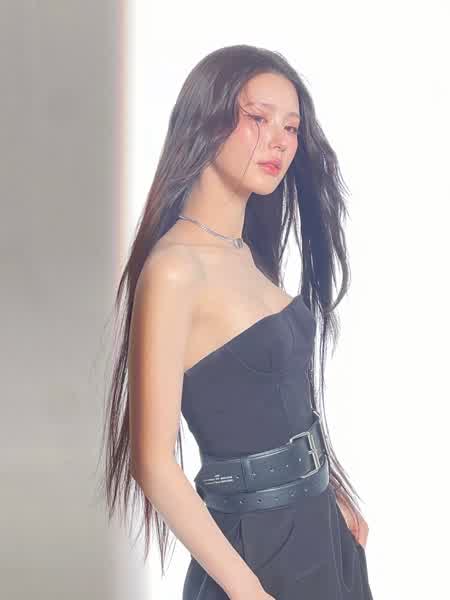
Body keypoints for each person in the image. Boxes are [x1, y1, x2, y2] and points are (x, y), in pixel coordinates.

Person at [99, 44, 374, 599]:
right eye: (257, 118)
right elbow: (153, 464)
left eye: (291, 127)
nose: (280, 140)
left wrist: (331, 489)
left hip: (320, 529)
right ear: (206, 121)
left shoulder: (246, 253)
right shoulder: (176, 269)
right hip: (254, 554)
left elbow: (277, 398)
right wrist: (246, 591)